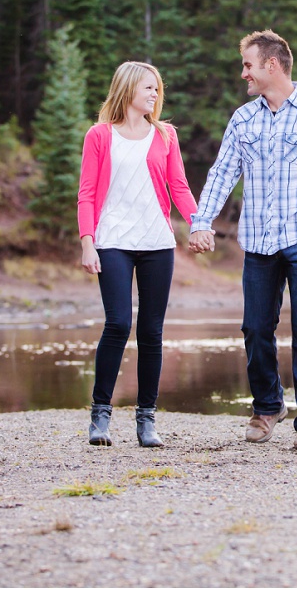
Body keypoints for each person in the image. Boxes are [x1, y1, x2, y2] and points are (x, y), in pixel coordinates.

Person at [188, 29, 297, 451]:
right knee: (255, 328)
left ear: (272, 64)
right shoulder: (243, 119)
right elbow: (222, 173)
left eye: (248, 64)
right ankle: (267, 407)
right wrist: (200, 221)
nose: (243, 73)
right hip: (259, 241)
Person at [77, 61, 197, 448]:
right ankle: (100, 416)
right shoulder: (99, 135)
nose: (155, 95)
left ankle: (147, 420)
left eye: (157, 89)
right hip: (111, 240)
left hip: (157, 242)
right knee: (117, 323)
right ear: (128, 88)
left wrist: (199, 222)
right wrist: (87, 240)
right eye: (149, 88)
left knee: (151, 331)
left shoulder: (165, 135)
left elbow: (178, 185)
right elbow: (87, 193)